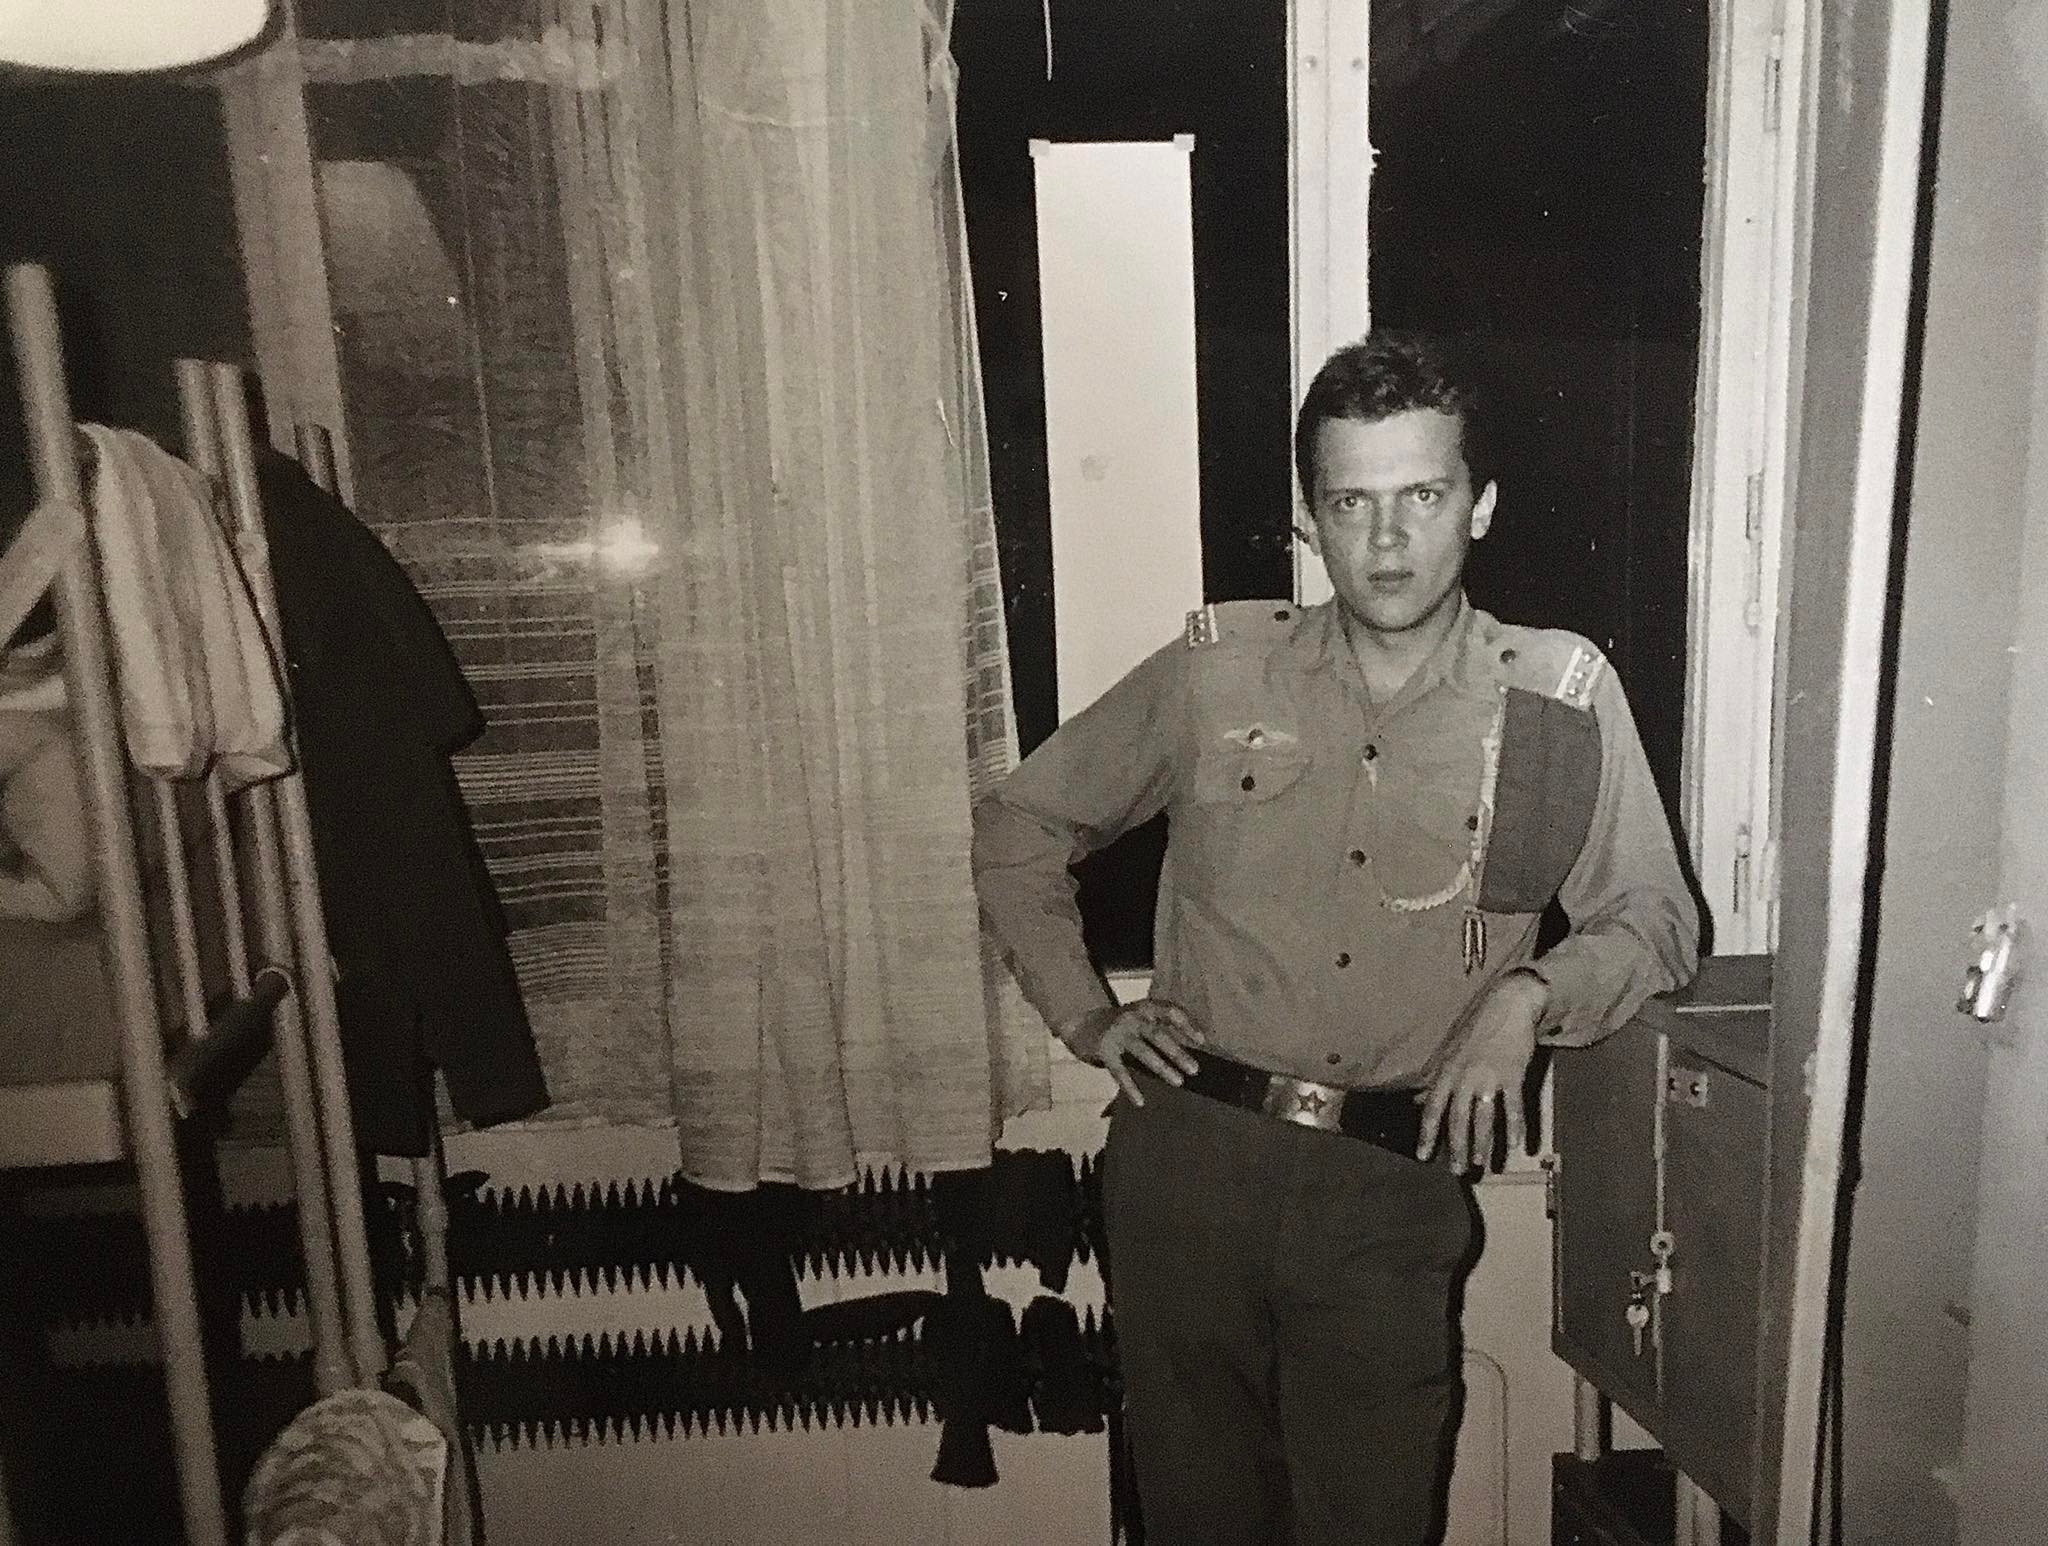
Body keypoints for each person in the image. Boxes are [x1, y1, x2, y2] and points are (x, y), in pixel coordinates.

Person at [972, 331, 1699, 1545]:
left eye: (1422, 495)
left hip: (1384, 1188)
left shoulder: (1551, 696)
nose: (1387, 539)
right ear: (1309, 521)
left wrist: (1524, 996)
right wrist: (1086, 1016)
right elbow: (1016, 827)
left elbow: (1654, 919)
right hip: (1188, 1168)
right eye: (1351, 503)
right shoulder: (1218, 672)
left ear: (1478, 505)